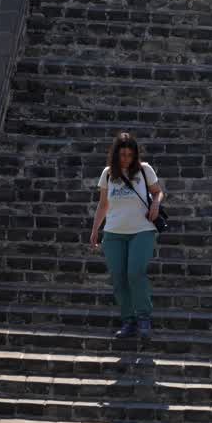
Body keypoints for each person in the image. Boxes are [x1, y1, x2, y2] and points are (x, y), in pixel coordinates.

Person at [90, 132, 164, 340]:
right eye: (122, 155)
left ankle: (144, 318)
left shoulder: (144, 170)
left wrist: (156, 203)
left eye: (130, 155)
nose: (126, 159)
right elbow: (103, 204)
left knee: (135, 273)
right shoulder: (107, 174)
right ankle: (128, 320)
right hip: (114, 232)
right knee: (119, 278)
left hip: (142, 230)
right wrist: (96, 229)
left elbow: (158, 191)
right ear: (115, 154)